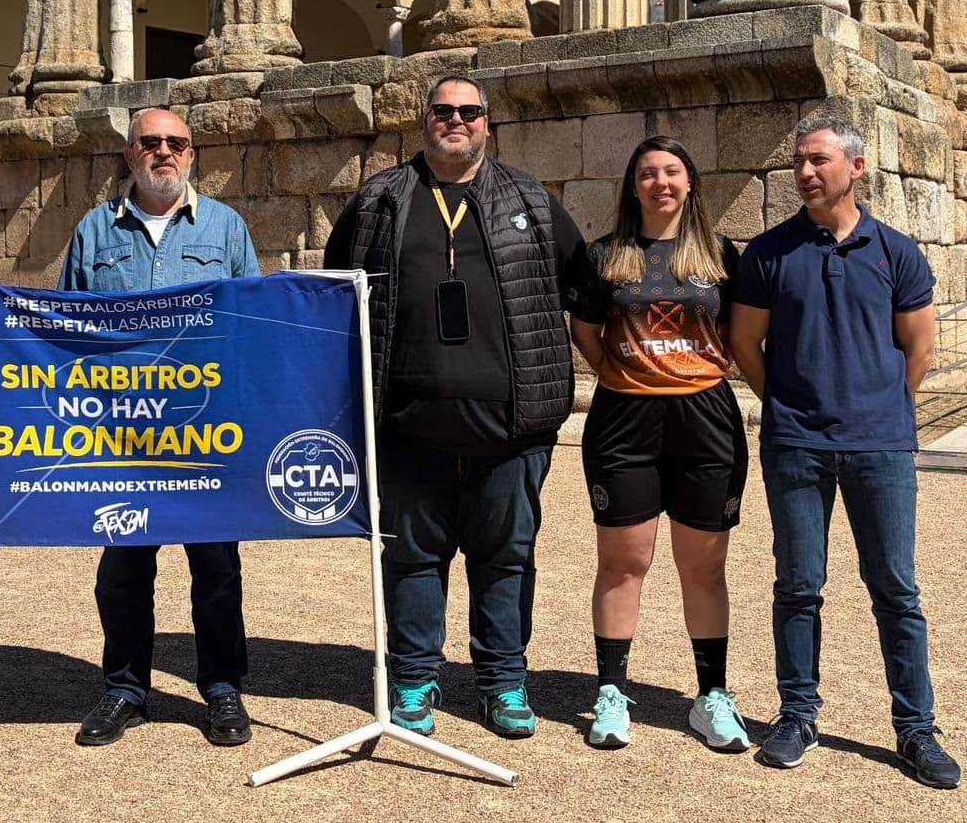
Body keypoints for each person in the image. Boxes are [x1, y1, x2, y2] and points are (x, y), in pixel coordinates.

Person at [323, 75, 586, 739]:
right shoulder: (381, 200)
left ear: (487, 124)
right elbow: (332, 294)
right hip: (407, 423)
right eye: (444, 111)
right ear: (424, 121)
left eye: (470, 112)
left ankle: (502, 681)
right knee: (412, 555)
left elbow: (581, 286)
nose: (457, 121)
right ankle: (413, 676)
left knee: (506, 556)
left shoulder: (529, 196)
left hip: (512, 423)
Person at [728, 116, 959, 788]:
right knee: (798, 587)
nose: (805, 172)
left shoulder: (897, 252)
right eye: (798, 161)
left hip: (879, 448)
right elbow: (746, 344)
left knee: (896, 590)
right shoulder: (770, 253)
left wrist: (879, 406)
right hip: (796, 445)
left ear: (855, 167)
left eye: (818, 160)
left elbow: (919, 349)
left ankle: (916, 728)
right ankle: (798, 714)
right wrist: (790, 404)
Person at [59, 107, 261, 748]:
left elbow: (250, 325)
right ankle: (124, 689)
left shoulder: (226, 228)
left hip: (205, 436)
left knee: (216, 565)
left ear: (193, 154)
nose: (164, 153)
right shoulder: (95, 230)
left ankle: (224, 691)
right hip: (121, 434)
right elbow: (65, 328)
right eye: (151, 143)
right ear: (130, 156)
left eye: (177, 143)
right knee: (123, 566)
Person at [566, 136, 750, 752]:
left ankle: (711, 695)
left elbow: (739, 332)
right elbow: (586, 331)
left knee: (703, 565)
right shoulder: (603, 256)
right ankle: (612, 692)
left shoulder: (722, 255)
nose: (660, 183)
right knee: (624, 562)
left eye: (672, 171)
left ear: (691, 182)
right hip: (625, 420)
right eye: (648, 173)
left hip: (706, 419)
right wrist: (627, 372)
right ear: (633, 186)